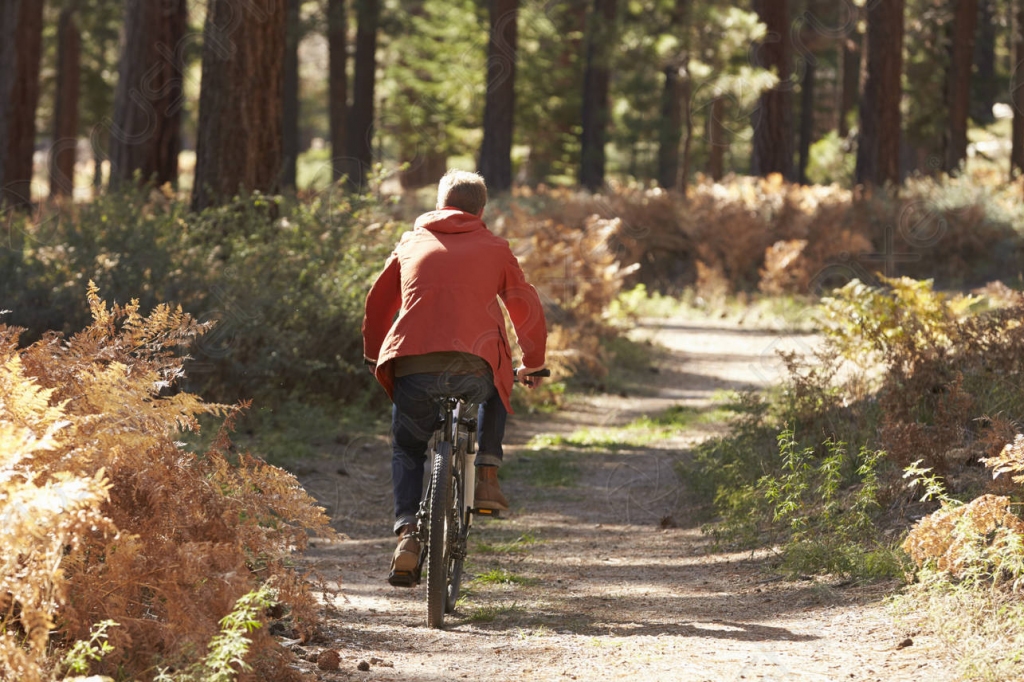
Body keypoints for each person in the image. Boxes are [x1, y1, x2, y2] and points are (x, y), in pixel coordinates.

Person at [362, 169, 548, 586]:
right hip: (474, 370)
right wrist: (532, 362)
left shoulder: (411, 243)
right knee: (500, 376)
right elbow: (524, 307)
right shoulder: (496, 248)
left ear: (439, 203)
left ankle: (408, 532)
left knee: (408, 447)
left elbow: (378, 305)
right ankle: (486, 474)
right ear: (481, 209)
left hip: (413, 367)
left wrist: (376, 354)